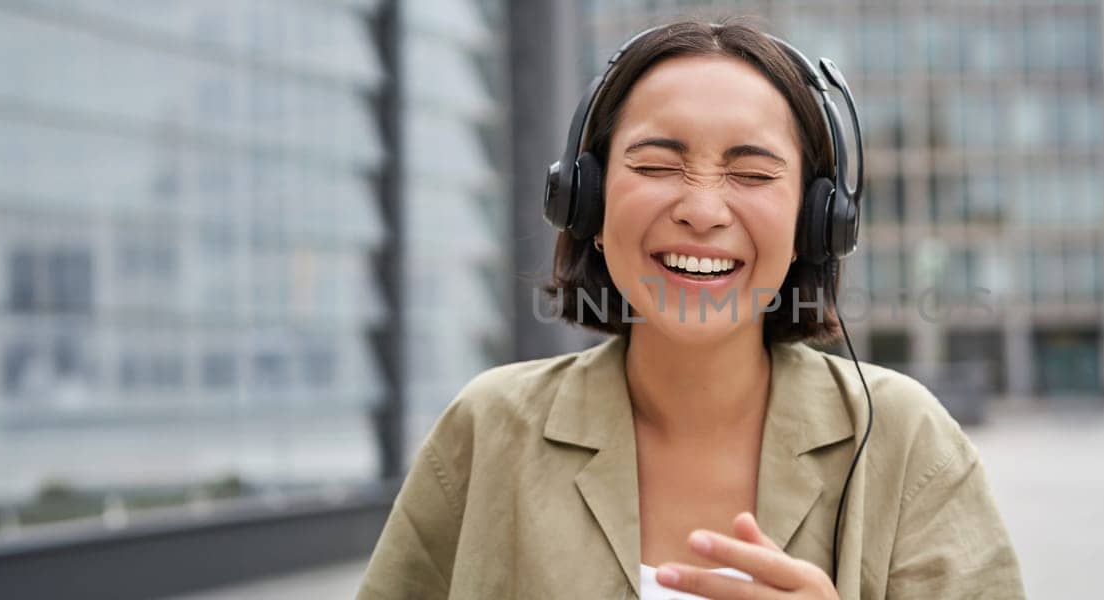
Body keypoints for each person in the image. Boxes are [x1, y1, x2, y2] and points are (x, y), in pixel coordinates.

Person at [358, 19, 1025, 599]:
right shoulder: (489, 430)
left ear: (816, 221)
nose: (702, 210)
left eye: (753, 174)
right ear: (585, 202)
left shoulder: (906, 441)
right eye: (655, 166)